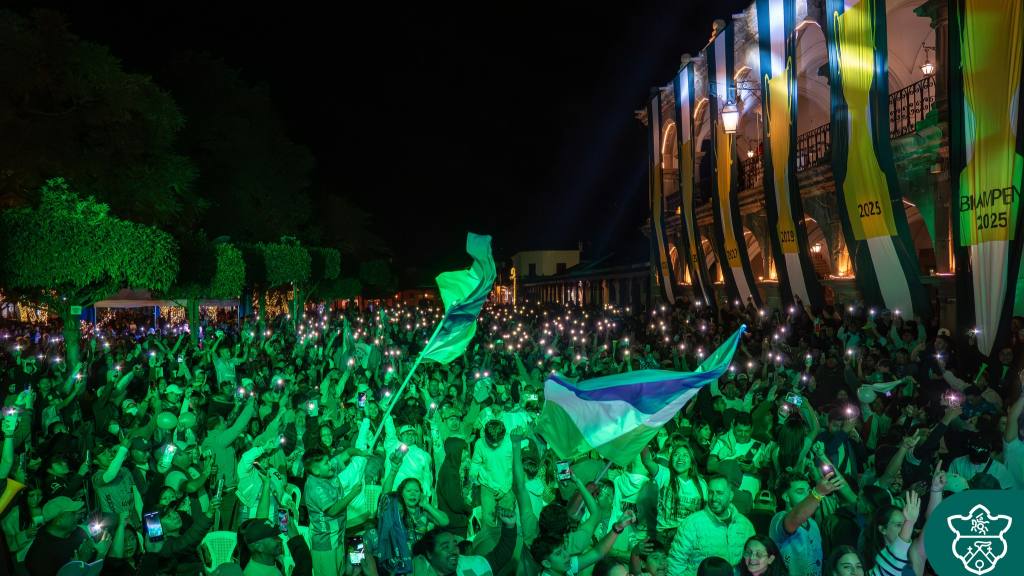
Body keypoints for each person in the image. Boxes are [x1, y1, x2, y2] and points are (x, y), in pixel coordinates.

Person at [667, 475, 755, 576]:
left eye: (720, 493)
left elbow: (753, 560)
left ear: (731, 495)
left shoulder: (745, 525)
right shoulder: (691, 524)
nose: (714, 498)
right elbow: (675, 562)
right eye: (710, 492)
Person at [302, 448, 363, 576]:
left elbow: (346, 453)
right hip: (325, 544)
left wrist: (360, 453)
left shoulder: (327, 470)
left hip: (338, 537)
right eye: (326, 463)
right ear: (315, 471)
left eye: (328, 460)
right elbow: (333, 510)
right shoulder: (314, 487)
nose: (330, 464)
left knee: (340, 572)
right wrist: (352, 494)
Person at [769, 472, 844, 576]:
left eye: (809, 491)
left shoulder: (813, 524)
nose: (807, 495)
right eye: (800, 491)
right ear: (786, 496)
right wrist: (817, 493)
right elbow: (795, 519)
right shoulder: (778, 519)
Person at [411, 506, 518, 576]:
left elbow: (499, 557)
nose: (453, 550)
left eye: (454, 545)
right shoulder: (419, 570)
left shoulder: (469, 565)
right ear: (429, 554)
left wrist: (510, 525)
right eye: (445, 546)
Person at [24, 496, 108, 576]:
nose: (78, 515)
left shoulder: (78, 531)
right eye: (73, 513)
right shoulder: (39, 555)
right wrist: (99, 555)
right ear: (58, 520)